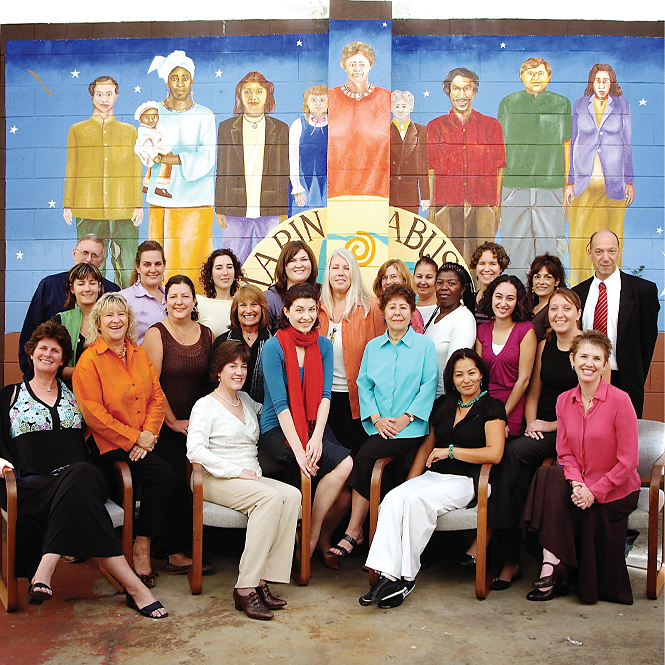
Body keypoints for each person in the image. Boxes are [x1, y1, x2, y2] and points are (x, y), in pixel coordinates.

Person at [0, 321, 167, 618]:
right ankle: (137, 589)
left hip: (81, 477)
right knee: (81, 493)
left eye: (56, 350)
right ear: (31, 354)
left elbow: (102, 425)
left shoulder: (75, 394)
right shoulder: (10, 396)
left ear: (63, 359)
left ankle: (45, 567)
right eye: (43, 349)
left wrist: (141, 435)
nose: (48, 354)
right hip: (31, 485)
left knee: (81, 474)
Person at [359, 349, 506, 609]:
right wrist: (409, 481)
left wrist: (451, 451)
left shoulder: (491, 407)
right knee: (395, 497)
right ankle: (383, 575)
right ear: (451, 380)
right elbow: (427, 448)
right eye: (459, 375)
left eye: (471, 372)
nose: (466, 379)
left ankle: (403, 578)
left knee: (417, 501)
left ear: (481, 374)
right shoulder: (444, 407)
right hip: (435, 475)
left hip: (465, 481)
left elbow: (494, 453)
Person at [72, 293, 190, 589]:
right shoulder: (89, 361)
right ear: (98, 323)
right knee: (162, 475)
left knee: (175, 467)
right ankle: (142, 546)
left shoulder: (138, 354)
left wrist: (149, 435)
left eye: (121, 315)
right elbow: (93, 414)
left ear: (129, 321)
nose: (116, 321)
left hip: (145, 438)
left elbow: (156, 396)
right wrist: (136, 437)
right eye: (109, 316)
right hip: (107, 444)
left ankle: (169, 546)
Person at [522, 331, 640, 604]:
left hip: (616, 489)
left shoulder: (620, 401)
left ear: (604, 364)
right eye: (584, 356)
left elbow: (628, 461)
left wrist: (593, 492)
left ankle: (558, 569)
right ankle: (550, 563)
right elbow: (564, 451)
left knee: (585, 510)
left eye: (597, 358)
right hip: (582, 483)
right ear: (572, 360)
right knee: (547, 474)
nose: (590, 363)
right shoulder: (564, 400)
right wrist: (577, 484)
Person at [187, 340, 301, 620]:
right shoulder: (205, 406)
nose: (239, 371)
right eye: (232, 366)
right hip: (214, 478)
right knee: (270, 498)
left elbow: (276, 411)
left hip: (250, 477)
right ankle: (244, 587)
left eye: (243, 366)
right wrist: (237, 472)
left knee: (293, 495)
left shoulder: (247, 401)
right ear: (218, 371)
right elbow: (195, 451)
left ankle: (263, 579)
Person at [328, 284, 438, 559]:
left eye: (403, 307)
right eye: (392, 307)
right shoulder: (373, 347)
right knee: (374, 464)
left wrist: (405, 418)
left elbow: (429, 385)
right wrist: (376, 419)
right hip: (377, 427)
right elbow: (363, 385)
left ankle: (355, 531)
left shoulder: (424, 346)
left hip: (410, 428)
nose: (398, 312)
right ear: (384, 313)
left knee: (366, 458)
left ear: (412, 313)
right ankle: (376, 539)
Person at [489, 287, 582, 590]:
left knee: (511, 455)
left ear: (578, 312)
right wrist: (532, 423)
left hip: (571, 432)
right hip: (542, 428)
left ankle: (503, 551)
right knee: (517, 479)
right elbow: (534, 391)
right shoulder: (545, 345)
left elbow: (592, 404)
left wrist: (550, 425)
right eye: (553, 309)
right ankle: (510, 559)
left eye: (566, 309)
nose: (559, 315)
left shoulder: (588, 346)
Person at [259, 283, 353, 562]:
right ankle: (308, 539)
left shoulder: (323, 345)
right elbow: (280, 405)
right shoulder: (274, 347)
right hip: (278, 427)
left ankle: (310, 538)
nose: (306, 316)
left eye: (312, 310)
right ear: (286, 312)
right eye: (299, 310)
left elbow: (325, 396)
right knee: (310, 466)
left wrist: (315, 438)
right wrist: (301, 452)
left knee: (345, 465)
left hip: (313, 423)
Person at [142, 275, 214, 575]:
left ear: (194, 301)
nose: (179, 302)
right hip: (164, 422)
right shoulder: (156, 334)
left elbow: (212, 384)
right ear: (165, 300)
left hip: (198, 423)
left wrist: (201, 423)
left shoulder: (207, 334)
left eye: (185, 296)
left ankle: (198, 544)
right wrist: (171, 421)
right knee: (173, 473)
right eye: (173, 296)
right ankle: (172, 551)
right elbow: (151, 385)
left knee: (201, 473)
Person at [63, 76, 143, 289]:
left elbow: (136, 170)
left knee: (127, 267)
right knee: (91, 269)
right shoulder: (77, 130)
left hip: (123, 208)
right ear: (92, 96)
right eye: (100, 94)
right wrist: (68, 205)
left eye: (109, 94)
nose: (104, 99)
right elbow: (72, 167)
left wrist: (137, 204)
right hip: (88, 208)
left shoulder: (130, 132)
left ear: (116, 96)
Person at [498, 57, 571, 280]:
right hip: (514, 184)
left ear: (549, 76)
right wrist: (498, 192)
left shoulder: (561, 103)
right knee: (514, 244)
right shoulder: (508, 103)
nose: (535, 78)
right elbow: (500, 148)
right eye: (530, 73)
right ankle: (517, 295)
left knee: (549, 245)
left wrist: (566, 183)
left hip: (550, 184)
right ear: (522, 77)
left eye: (540, 73)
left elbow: (566, 144)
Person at [573, 229, 659, 418]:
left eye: (611, 251)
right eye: (599, 251)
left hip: (624, 382)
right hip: (585, 381)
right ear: (589, 253)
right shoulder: (577, 294)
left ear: (619, 252)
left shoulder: (643, 292)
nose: (606, 258)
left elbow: (647, 344)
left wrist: (633, 377)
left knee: (624, 442)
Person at [146, 50, 216, 284]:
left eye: (184, 78)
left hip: (196, 200)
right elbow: (146, 145)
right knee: (160, 261)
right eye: (174, 78)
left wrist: (169, 159)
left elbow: (206, 157)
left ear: (192, 80)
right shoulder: (154, 112)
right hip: (162, 199)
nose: (180, 84)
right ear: (167, 81)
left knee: (194, 264)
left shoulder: (205, 115)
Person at [427, 68, 506, 264]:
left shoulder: (491, 125)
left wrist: (497, 206)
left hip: (483, 205)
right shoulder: (436, 127)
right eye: (456, 89)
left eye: (467, 88)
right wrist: (432, 207)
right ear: (449, 92)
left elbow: (500, 166)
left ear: (475, 92)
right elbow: (431, 167)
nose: (461, 95)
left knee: (483, 263)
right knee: (447, 262)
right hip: (446, 204)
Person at [565, 64, 635, 283]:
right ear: (591, 82)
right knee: (579, 237)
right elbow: (574, 141)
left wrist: (629, 181)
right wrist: (570, 181)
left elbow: (628, 143)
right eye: (598, 80)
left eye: (606, 80)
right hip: (584, 182)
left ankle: (612, 285)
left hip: (613, 183)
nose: (602, 85)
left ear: (611, 83)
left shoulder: (621, 105)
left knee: (612, 237)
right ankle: (578, 285)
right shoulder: (580, 104)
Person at [18, 234, 119, 377]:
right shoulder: (50, 286)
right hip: (57, 382)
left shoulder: (112, 291)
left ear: (102, 260)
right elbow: (30, 334)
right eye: (84, 253)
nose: (88, 259)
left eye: (95, 255)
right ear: (74, 253)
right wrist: (33, 377)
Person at [216, 71, 290, 263]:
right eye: (247, 91)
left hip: (270, 206)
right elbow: (222, 169)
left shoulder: (281, 129)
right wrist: (220, 207)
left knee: (272, 260)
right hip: (235, 206)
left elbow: (284, 172)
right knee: (234, 261)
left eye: (259, 91)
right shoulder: (226, 127)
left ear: (268, 96)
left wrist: (283, 209)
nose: (253, 97)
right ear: (240, 96)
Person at [319, 248, 385, 455]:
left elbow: (384, 355)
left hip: (358, 401)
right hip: (323, 401)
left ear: (354, 273)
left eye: (346, 268)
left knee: (354, 460)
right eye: (335, 267)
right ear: (327, 273)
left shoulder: (371, 308)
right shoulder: (315, 310)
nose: (340, 273)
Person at [327, 41, 391, 199]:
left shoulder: (386, 97)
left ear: (370, 65)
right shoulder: (330, 96)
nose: (357, 69)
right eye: (352, 64)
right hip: (338, 187)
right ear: (344, 66)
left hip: (377, 189)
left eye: (362, 64)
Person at [476, 275, 537, 437]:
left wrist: (501, 415)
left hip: (511, 405)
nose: (503, 304)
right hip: (484, 403)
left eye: (510, 298)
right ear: (491, 298)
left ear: (518, 302)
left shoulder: (525, 331)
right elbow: (478, 377)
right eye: (498, 297)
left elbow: (523, 380)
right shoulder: (481, 331)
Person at [423, 263, 477, 398]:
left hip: (443, 399)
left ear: (463, 288)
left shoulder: (463, 319)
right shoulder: (434, 315)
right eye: (439, 283)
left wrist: (442, 401)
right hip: (426, 398)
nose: (444, 287)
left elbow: (455, 367)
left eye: (451, 283)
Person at [212, 285, 272, 404]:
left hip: (265, 412)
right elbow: (212, 380)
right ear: (236, 309)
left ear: (262, 308)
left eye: (254, 304)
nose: (248, 310)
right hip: (228, 410)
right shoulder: (223, 341)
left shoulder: (273, 342)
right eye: (243, 305)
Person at [53, 263, 104, 382]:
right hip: (69, 392)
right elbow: (53, 365)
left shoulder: (111, 320)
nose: (87, 288)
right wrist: (87, 372)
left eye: (92, 283)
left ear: (99, 287)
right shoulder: (60, 321)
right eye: (81, 283)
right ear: (72, 288)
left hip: (106, 391)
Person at [289, 84, 329, 215]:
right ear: (307, 102)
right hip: (303, 184)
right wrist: (296, 186)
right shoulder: (298, 124)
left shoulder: (334, 125)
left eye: (322, 100)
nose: (318, 104)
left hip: (328, 183)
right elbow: (293, 158)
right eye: (314, 100)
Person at [389, 90, 430, 214]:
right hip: (390, 191)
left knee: (409, 228)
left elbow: (423, 165)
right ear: (391, 108)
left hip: (410, 192)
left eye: (404, 106)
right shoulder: (385, 130)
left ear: (411, 107)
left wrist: (425, 196)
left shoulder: (421, 131)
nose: (400, 110)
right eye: (397, 106)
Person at [264, 241, 319, 332]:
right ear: (283, 266)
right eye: (292, 260)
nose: (299, 265)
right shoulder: (270, 298)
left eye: (304, 259)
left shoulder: (323, 294)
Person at [119, 240, 167, 344]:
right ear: (138, 267)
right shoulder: (124, 299)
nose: (153, 269)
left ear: (164, 265)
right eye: (147, 264)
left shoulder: (172, 297)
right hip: (139, 359)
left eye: (158, 264)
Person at [197, 249, 243, 339]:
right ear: (211, 274)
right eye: (219, 268)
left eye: (229, 267)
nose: (225, 273)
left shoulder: (243, 303)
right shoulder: (199, 302)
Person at [372, 259, 424, 333]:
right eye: (384, 277)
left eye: (393, 276)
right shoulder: (374, 310)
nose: (388, 282)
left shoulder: (413, 314)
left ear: (404, 280)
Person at [133, 101, 173, 199]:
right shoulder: (144, 130)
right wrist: (154, 155)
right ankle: (161, 186)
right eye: (147, 117)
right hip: (150, 152)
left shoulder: (158, 126)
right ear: (141, 119)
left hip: (156, 149)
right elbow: (146, 145)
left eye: (154, 117)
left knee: (152, 168)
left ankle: (147, 185)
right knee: (168, 161)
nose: (151, 120)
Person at [468, 241, 510, 326]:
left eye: (492, 264)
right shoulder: (469, 299)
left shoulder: (505, 301)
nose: (487, 269)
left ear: (501, 267)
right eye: (482, 263)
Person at [526, 253, 566, 342]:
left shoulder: (555, 309)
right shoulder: (529, 305)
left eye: (547, 277)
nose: (541, 282)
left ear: (557, 281)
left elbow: (551, 343)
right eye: (537, 277)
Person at [413, 256, 438, 325]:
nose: (423, 282)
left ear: (437, 279)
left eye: (429, 277)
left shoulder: (443, 310)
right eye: (419, 276)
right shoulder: (409, 309)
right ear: (413, 277)